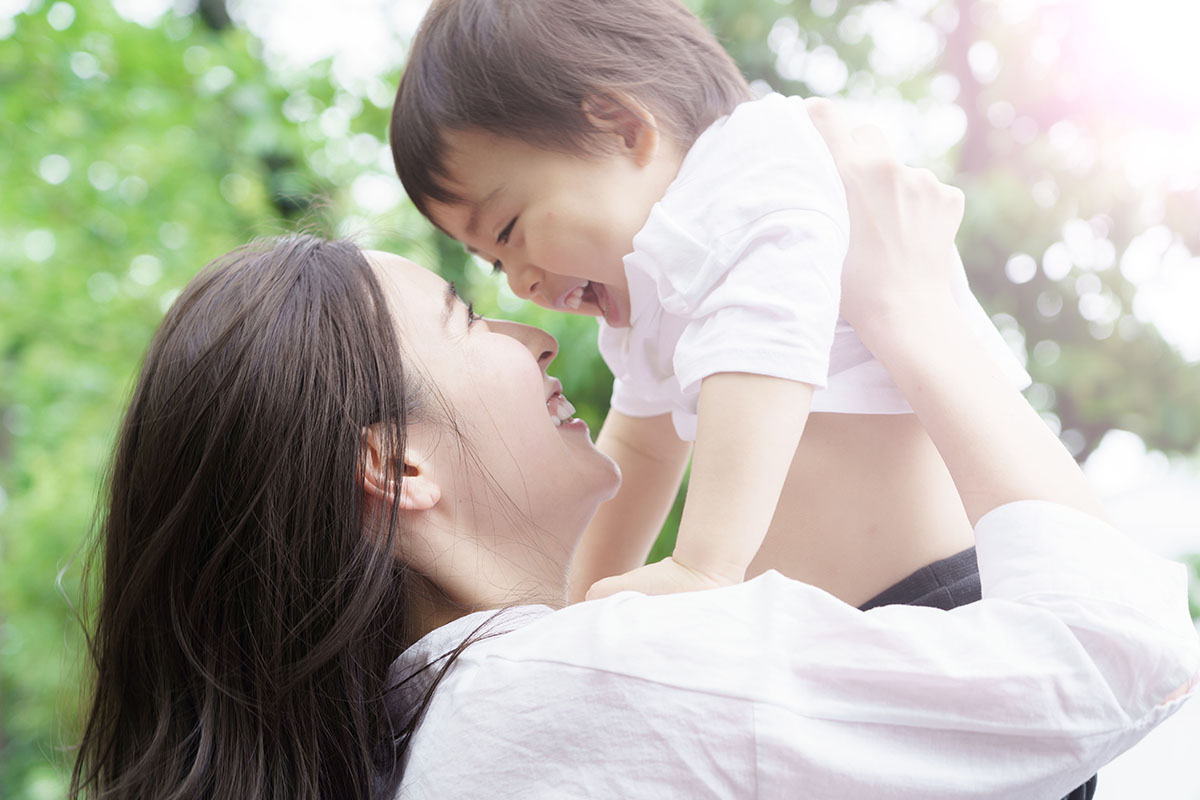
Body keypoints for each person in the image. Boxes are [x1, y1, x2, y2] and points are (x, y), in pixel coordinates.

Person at [71, 101, 1196, 799]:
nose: (529, 327)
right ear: (401, 468)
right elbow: (1119, 655)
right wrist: (916, 312)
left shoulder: (458, 736)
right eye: (469, 318)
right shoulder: (566, 691)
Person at [389, 0, 1029, 608]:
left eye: (508, 232)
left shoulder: (753, 169)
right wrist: (572, 603)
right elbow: (640, 452)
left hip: (946, 589)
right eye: (496, 264)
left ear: (621, 128)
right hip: (848, 627)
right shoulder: (652, 281)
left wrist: (705, 565)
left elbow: (765, 342)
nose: (518, 284)